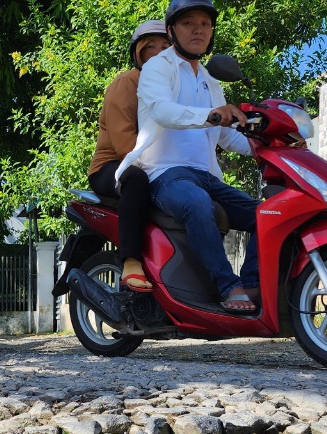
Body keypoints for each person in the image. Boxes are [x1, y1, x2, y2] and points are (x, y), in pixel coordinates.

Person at [115, 0, 259, 313]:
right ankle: (228, 286)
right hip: (164, 174)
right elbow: (163, 111)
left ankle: (251, 285)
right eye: (188, 23)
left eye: (205, 24)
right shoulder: (158, 68)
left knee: (266, 214)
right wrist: (212, 115)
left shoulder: (210, 82)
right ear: (172, 31)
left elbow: (226, 136)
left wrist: (268, 149)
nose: (198, 29)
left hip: (207, 176)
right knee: (196, 203)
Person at [88, 20, 172, 292]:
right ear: (138, 54)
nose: (159, 53)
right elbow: (125, 145)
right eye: (151, 48)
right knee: (135, 179)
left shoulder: (175, 89)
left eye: (166, 47)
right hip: (112, 166)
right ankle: (132, 261)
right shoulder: (127, 83)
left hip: (157, 165)